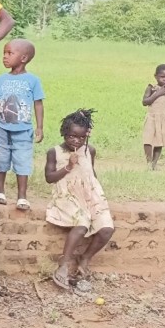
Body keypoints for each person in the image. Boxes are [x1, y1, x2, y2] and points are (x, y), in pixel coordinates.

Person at [46, 109, 114, 290]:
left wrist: (97, 194)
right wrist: (69, 166)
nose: (76, 141)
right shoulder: (55, 152)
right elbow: (49, 177)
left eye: (81, 138)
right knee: (82, 222)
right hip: (67, 195)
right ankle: (63, 264)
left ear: (86, 136)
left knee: (107, 228)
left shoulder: (89, 151)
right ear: (63, 133)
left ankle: (85, 257)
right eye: (72, 136)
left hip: (90, 194)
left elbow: (90, 173)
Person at [0, 39, 44, 209]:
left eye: (9, 53)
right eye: (4, 53)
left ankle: (22, 196)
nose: (5, 57)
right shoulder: (1, 80)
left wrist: (40, 127)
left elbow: (38, 103)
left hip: (23, 130)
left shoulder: (33, 80)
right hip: (1, 128)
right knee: (0, 158)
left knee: (22, 161)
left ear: (23, 58)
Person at [142, 63, 165, 170]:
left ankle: (154, 164)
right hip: (152, 118)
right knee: (148, 140)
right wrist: (158, 93)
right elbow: (145, 102)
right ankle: (148, 162)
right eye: (162, 77)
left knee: (160, 142)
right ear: (155, 76)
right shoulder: (152, 87)